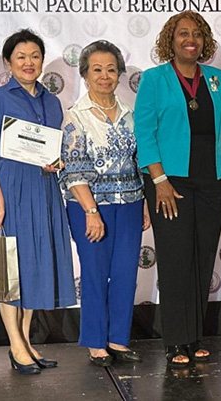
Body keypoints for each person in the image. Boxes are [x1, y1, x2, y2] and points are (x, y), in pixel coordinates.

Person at [134, 11, 221, 368]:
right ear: (170, 41)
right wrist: (158, 180)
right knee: (176, 260)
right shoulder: (154, 79)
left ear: (204, 41)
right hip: (168, 183)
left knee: (202, 260)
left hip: (212, 182)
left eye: (197, 34)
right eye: (182, 33)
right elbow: (144, 133)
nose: (190, 39)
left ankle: (195, 337)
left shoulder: (220, 80)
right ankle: (175, 341)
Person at [0, 29, 76, 375]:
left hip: (44, 189)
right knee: (9, 269)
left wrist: (57, 161)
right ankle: (15, 344)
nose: (29, 62)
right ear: (8, 62)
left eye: (34, 55)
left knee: (34, 266)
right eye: (21, 56)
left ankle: (26, 340)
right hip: (9, 189)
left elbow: (54, 147)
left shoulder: (51, 101)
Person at [60, 40, 150, 367]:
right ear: (85, 75)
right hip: (89, 206)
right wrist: (90, 211)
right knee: (95, 273)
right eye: (97, 69)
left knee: (125, 273)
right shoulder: (75, 117)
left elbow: (139, 161)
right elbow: (73, 168)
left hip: (129, 203)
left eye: (111, 69)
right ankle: (96, 342)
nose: (105, 75)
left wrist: (142, 202)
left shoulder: (130, 113)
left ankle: (117, 339)